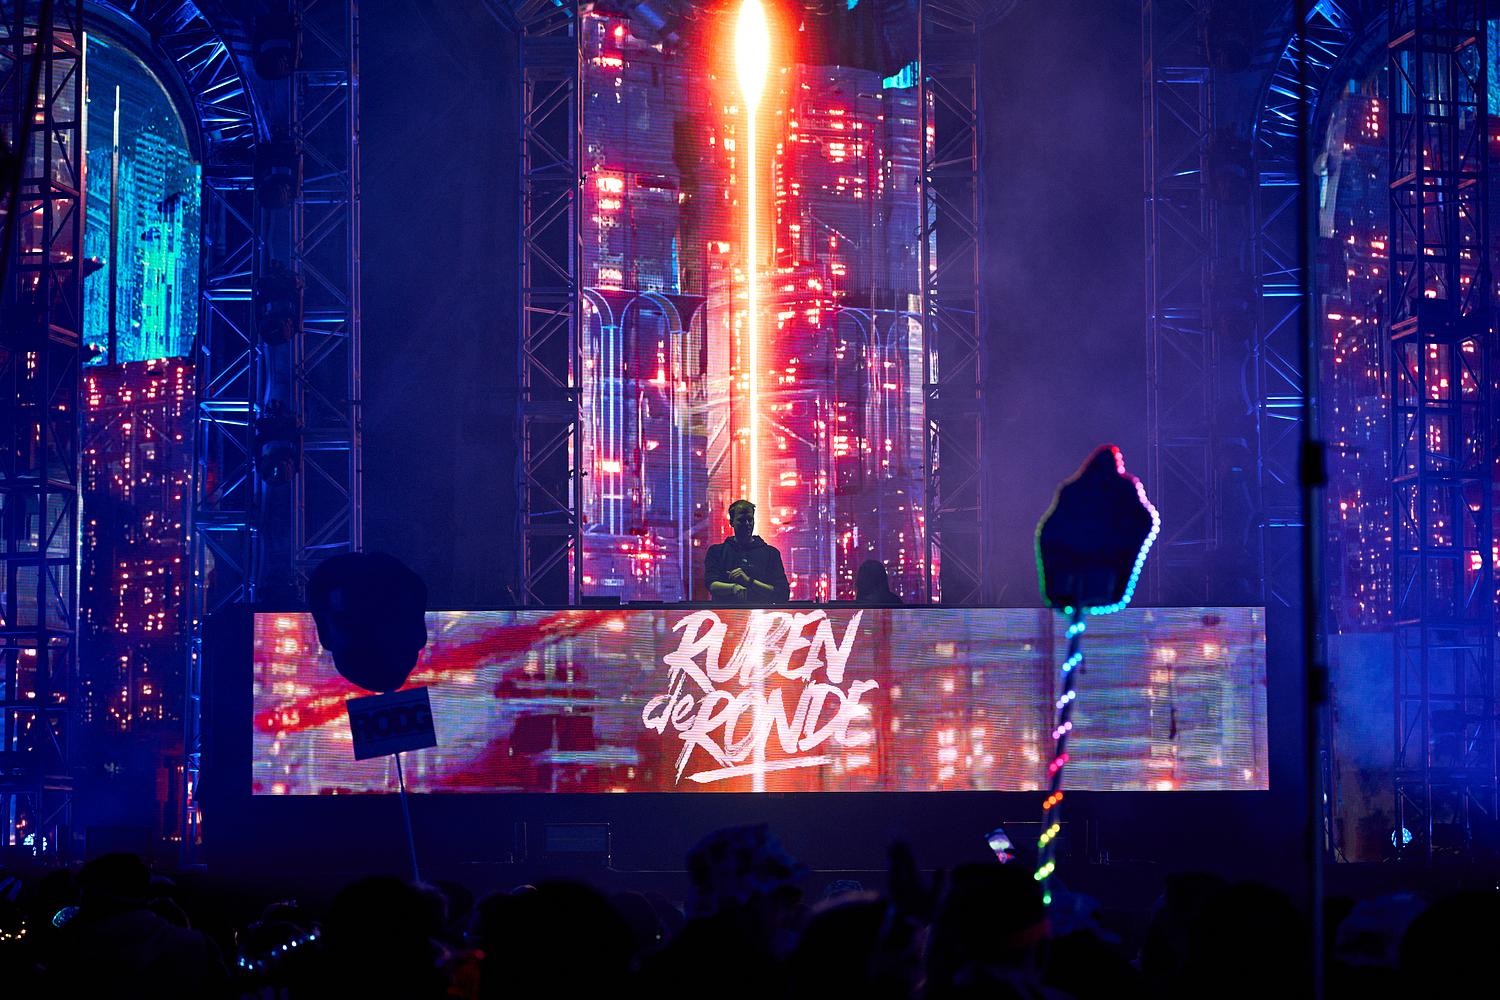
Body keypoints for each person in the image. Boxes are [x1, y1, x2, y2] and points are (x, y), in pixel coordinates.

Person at [705, 500, 790, 604]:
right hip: (748, 613)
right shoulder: (716, 552)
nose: (747, 524)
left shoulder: (771, 554)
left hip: (732, 613)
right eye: (741, 520)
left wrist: (745, 582)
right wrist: (738, 585)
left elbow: (782, 594)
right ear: (731, 522)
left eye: (750, 520)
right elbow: (710, 584)